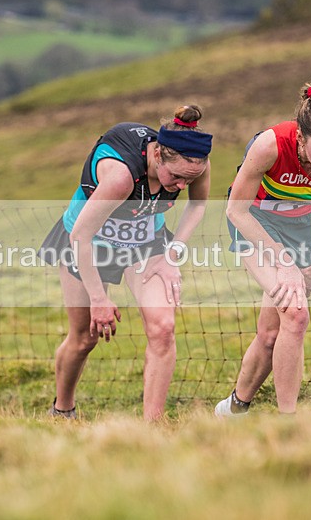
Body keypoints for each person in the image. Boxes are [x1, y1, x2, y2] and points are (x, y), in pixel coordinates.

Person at [39, 105, 212, 421]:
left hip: (145, 244)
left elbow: (198, 206)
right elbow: (80, 237)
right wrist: (98, 299)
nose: (181, 186)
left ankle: (153, 425)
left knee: (163, 328)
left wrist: (171, 256)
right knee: (84, 338)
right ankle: (62, 409)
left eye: (190, 179)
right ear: (157, 155)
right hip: (88, 243)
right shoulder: (121, 177)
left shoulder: (194, 162)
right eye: (176, 177)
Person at [216, 82, 311, 416]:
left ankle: (233, 410)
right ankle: (290, 422)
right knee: (296, 315)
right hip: (254, 223)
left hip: (300, 228)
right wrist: (284, 263)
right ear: (300, 137)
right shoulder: (269, 146)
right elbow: (236, 211)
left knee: (271, 334)